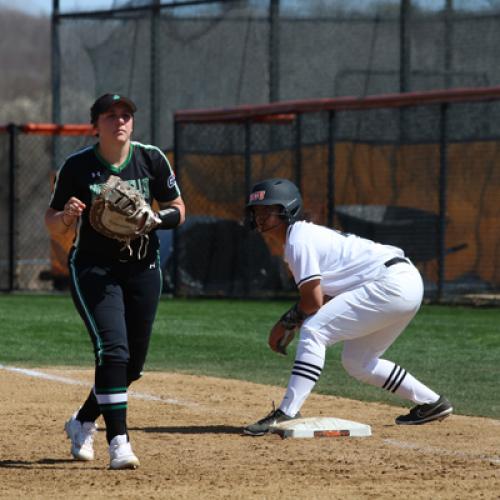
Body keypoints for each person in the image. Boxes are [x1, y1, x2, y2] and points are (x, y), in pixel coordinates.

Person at [243, 178, 452, 436]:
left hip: (391, 283)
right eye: (256, 211)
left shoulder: (298, 239)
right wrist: (291, 322)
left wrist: (286, 323)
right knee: (358, 362)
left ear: (287, 209)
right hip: (404, 283)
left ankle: (287, 412)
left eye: (268, 210)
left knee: (315, 331)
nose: (260, 217)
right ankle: (431, 403)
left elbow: (313, 302)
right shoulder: (300, 239)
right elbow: (325, 298)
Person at [44, 93, 185, 468]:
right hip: (94, 268)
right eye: (111, 116)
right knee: (113, 350)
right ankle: (119, 441)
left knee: (132, 365)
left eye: (126, 115)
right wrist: (66, 217)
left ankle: (83, 420)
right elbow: (52, 219)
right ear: (97, 124)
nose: (120, 121)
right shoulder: (78, 166)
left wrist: (157, 219)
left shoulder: (151, 158)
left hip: (143, 267)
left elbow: (179, 209)